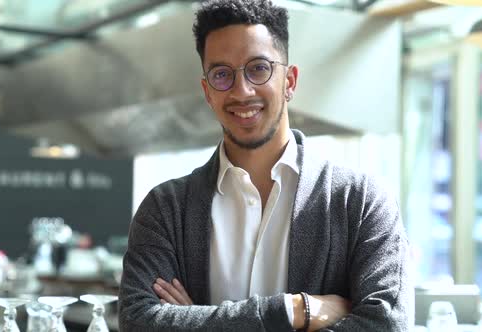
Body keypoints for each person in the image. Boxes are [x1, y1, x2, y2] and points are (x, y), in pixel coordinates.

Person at [118, 0, 413, 330]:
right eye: (221, 74)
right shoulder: (165, 209)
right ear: (207, 91)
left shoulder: (361, 203)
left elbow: (388, 324)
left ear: (289, 81)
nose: (242, 91)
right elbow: (138, 322)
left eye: (258, 68)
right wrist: (295, 310)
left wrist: (198, 320)